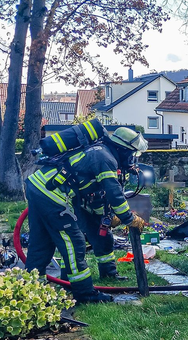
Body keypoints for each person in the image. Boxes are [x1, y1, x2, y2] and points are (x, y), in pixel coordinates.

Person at [25, 127, 148, 302]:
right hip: (51, 195)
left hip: (37, 186)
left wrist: (108, 215)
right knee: (74, 243)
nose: (132, 159)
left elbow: (92, 195)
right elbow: (114, 193)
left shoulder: (101, 152)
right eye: (132, 154)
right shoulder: (105, 158)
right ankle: (85, 294)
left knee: (40, 242)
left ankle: (32, 291)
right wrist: (129, 218)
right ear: (123, 149)